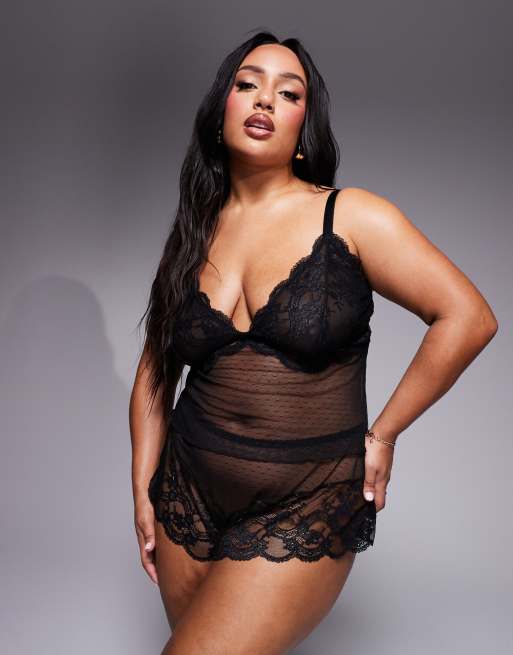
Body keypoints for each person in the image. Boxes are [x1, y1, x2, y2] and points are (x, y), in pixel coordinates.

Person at [129, 31, 498, 655]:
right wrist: (143, 486)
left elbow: (468, 317)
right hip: (185, 494)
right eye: (248, 84)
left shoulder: (350, 217)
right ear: (220, 111)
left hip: (306, 502)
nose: (264, 100)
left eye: (288, 92)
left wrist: (384, 434)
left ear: (305, 127)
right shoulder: (195, 229)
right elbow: (155, 370)